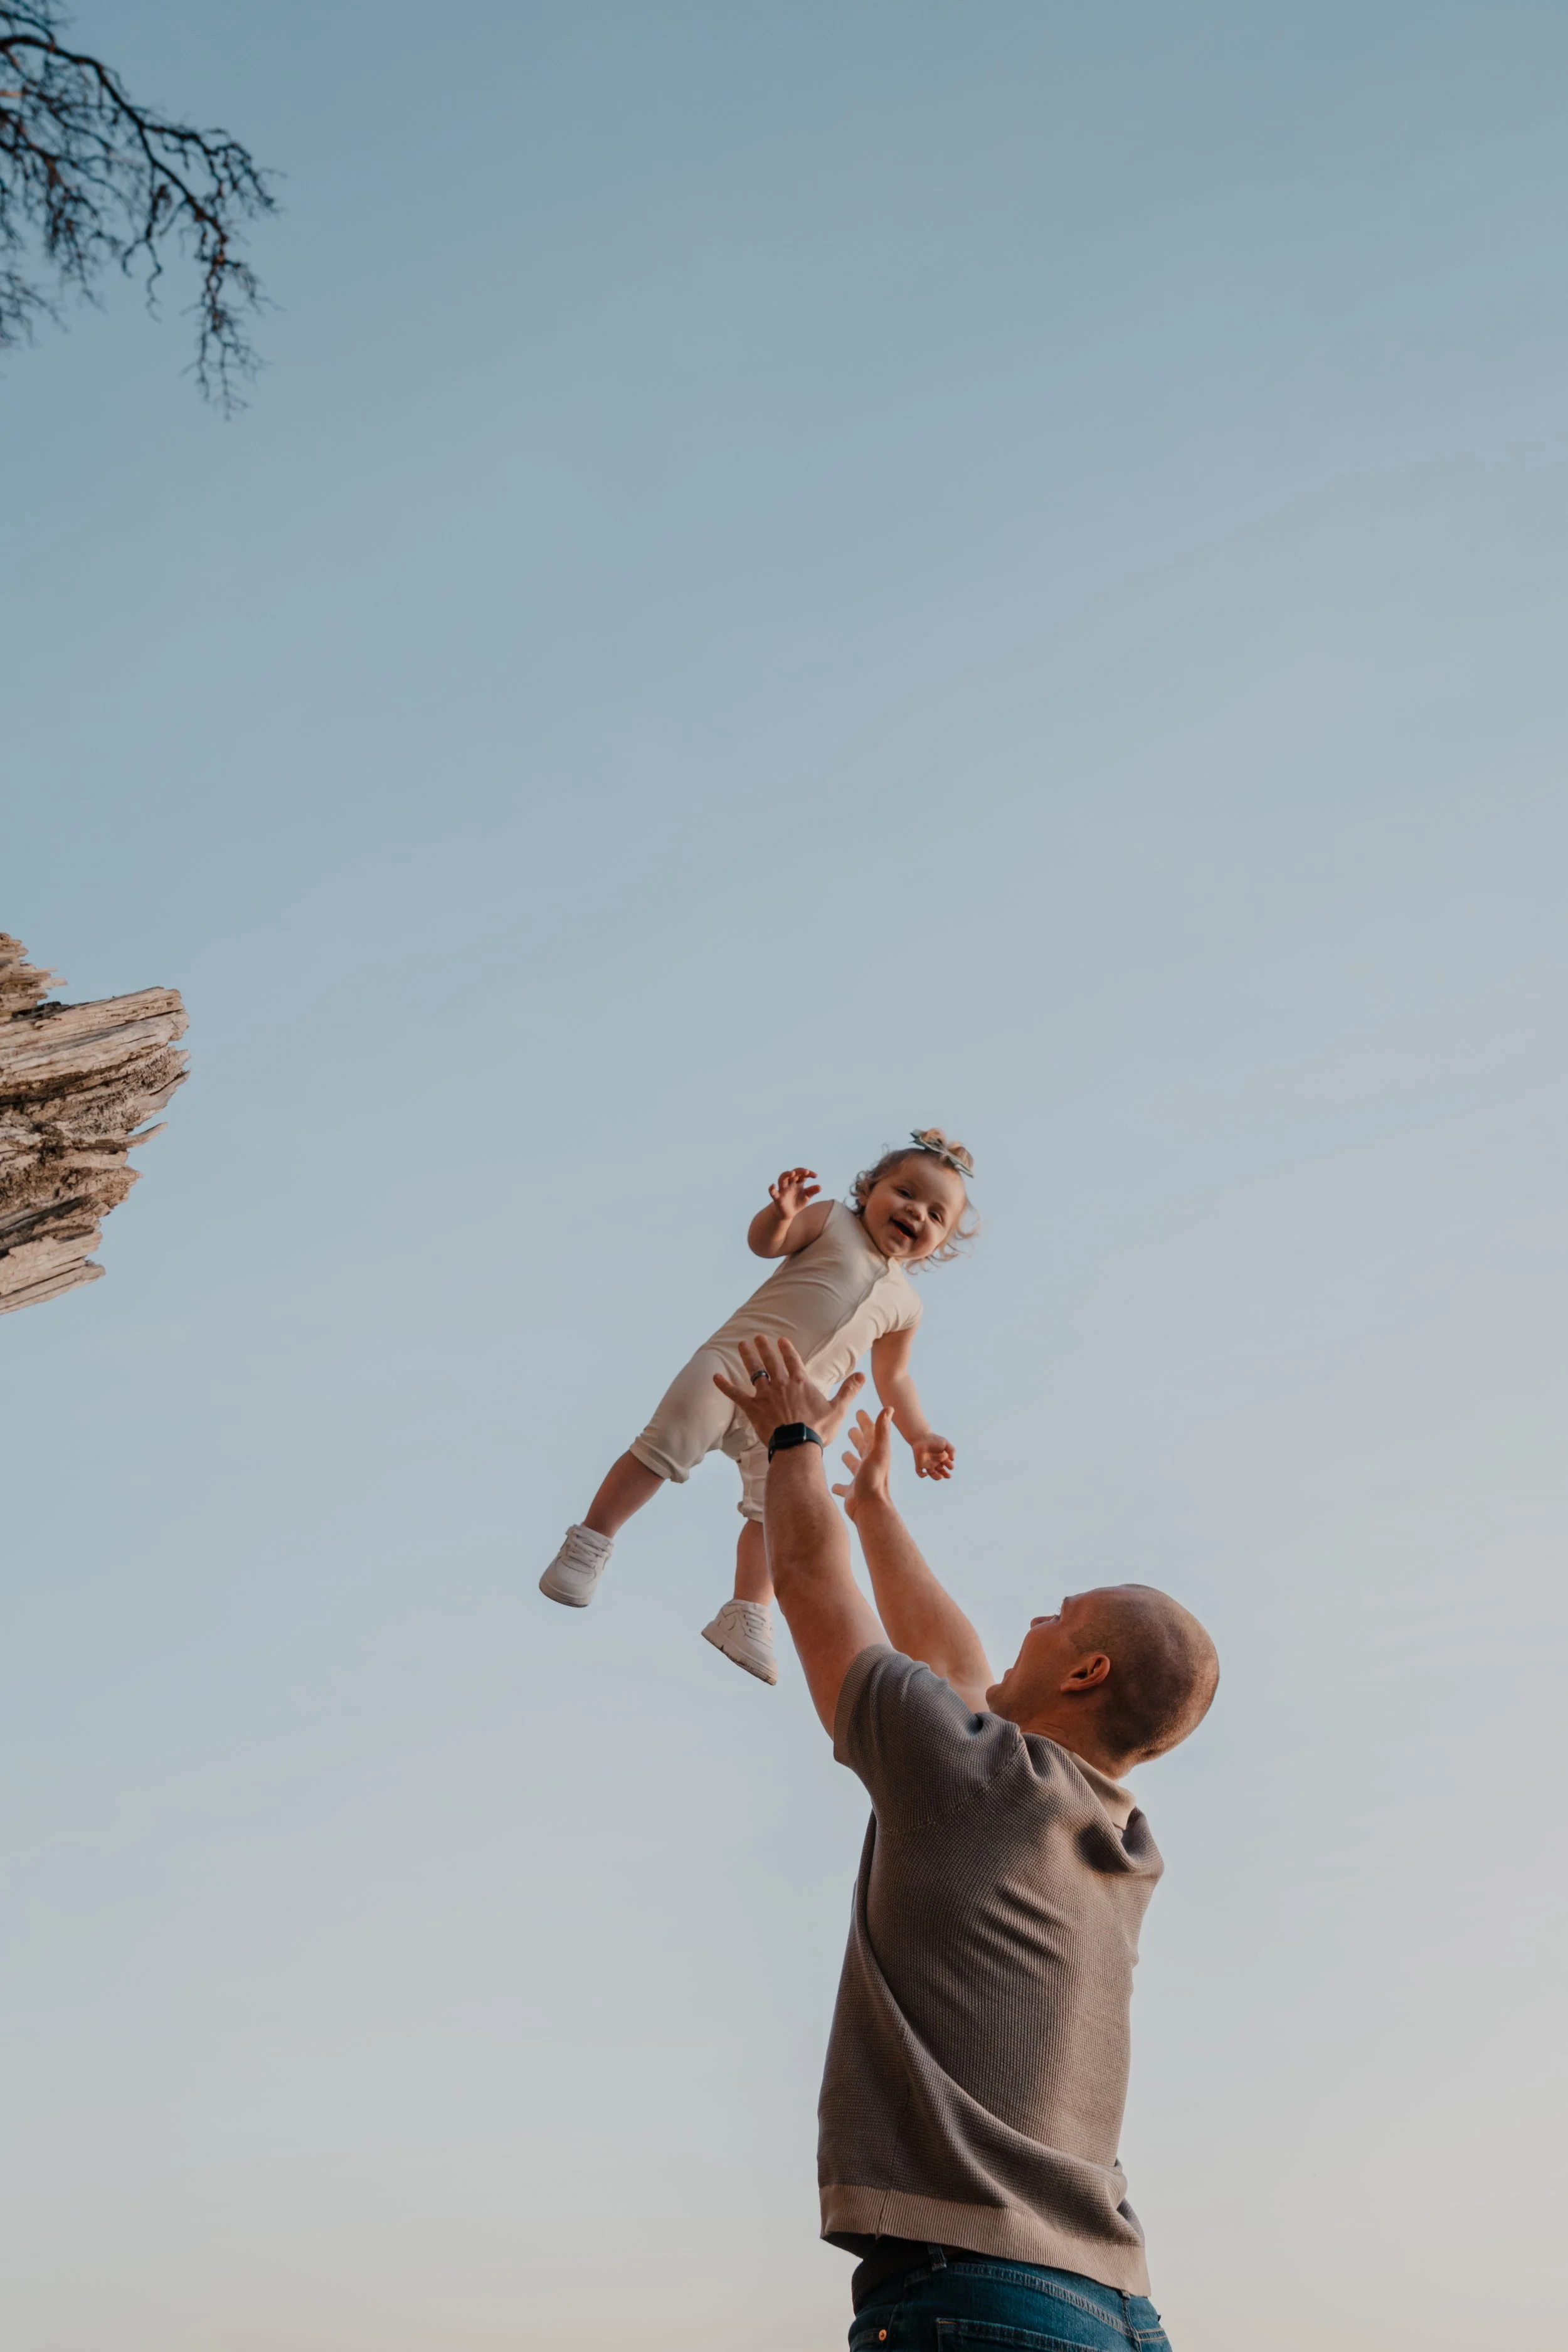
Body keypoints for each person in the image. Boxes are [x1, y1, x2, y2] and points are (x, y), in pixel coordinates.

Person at [712, 1333, 1219, 2352]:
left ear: (1085, 1675)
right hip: (1117, 2308)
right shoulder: (1115, 1836)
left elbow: (814, 1585)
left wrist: (792, 1440)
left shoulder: (975, 1780)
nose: (1033, 1620)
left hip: (980, 2300)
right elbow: (952, 1664)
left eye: (1059, 1617)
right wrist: (876, 1510)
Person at [536, 1130, 976, 1687]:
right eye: (906, 1193)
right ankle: (591, 1541)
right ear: (869, 1189)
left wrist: (920, 1435)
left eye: (936, 1215)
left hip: (795, 1415)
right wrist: (780, 1214)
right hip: (731, 1365)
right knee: (663, 1448)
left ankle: (747, 1612)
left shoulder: (905, 1305)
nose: (917, 1213)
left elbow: (895, 1376)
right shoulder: (833, 1221)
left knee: (777, 1510)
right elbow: (769, 1244)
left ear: (941, 1244)